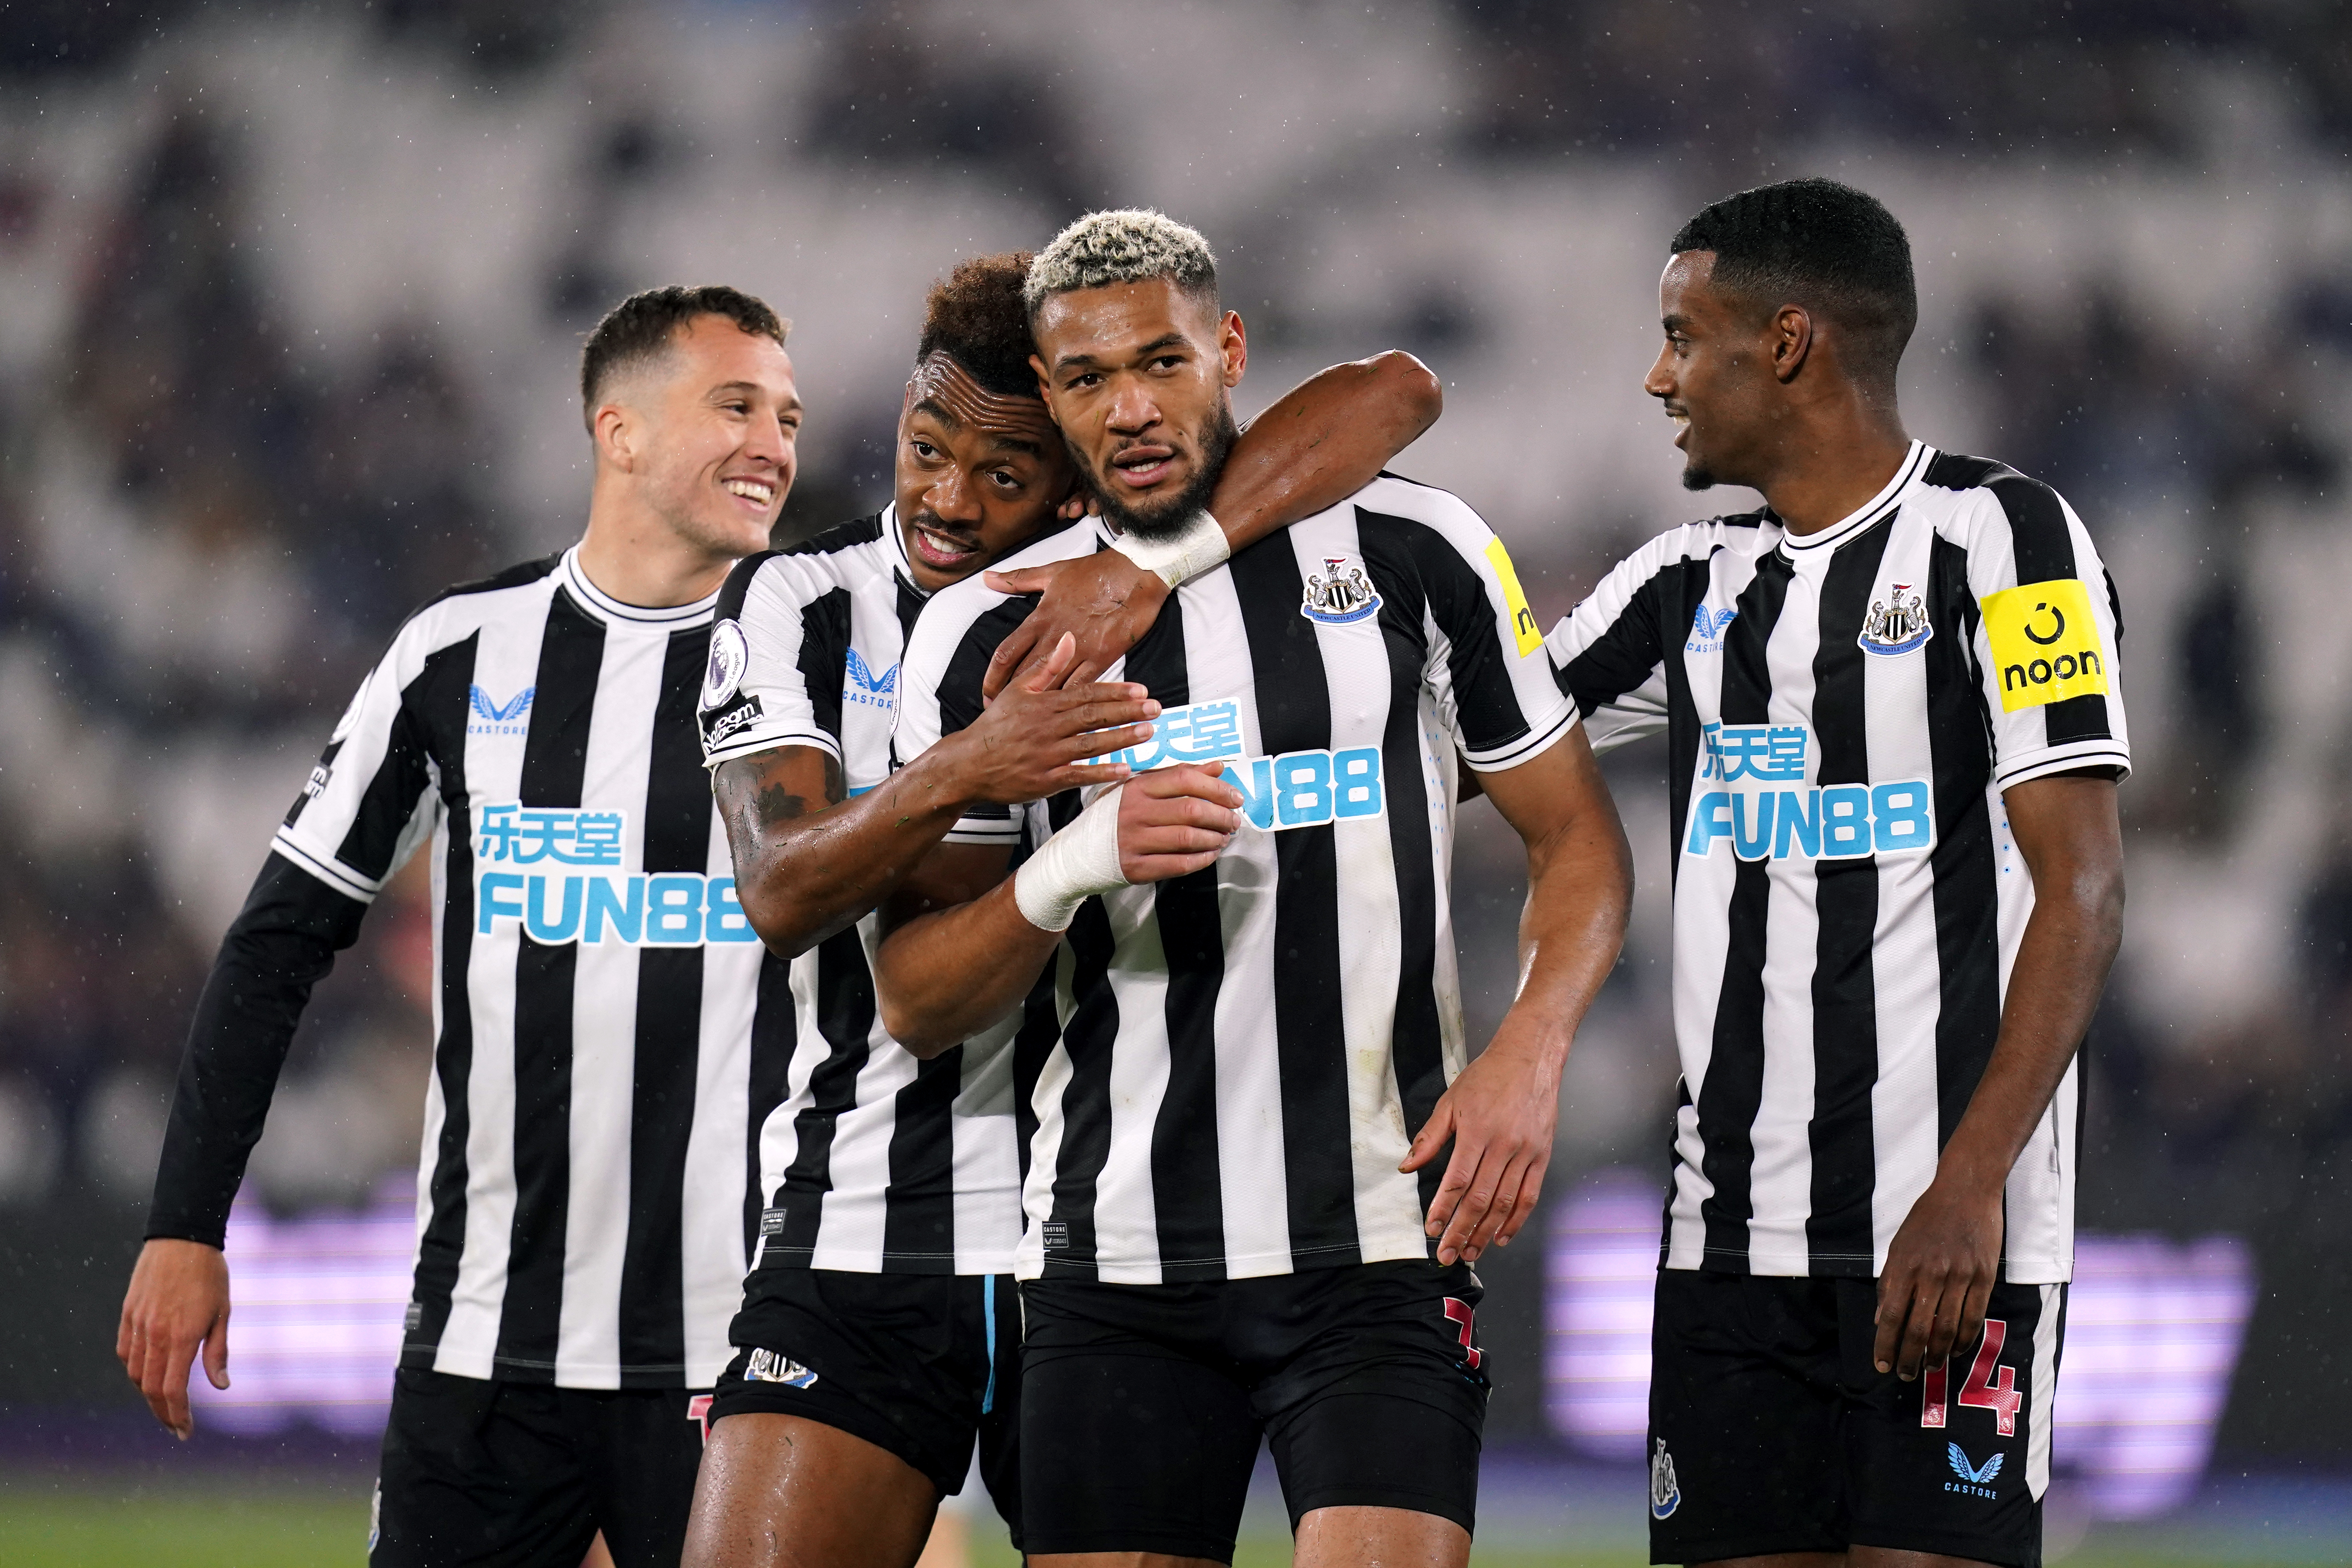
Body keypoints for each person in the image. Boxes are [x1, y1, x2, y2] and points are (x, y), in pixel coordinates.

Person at [873, 210, 1635, 1568]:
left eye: (1162, 362)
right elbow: (920, 999)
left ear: (1230, 351)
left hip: (1382, 1243)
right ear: (1048, 397)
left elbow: (1576, 837)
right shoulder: (985, 632)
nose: (1133, 407)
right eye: (1090, 379)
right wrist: (1071, 864)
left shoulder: (1417, 549)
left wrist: (1529, 1050)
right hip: (1114, 1264)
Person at [680, 250, 1442, 1568]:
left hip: (1098, 1244)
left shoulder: (1132, 597)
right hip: (870, 1216)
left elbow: (1394, 393)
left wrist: (1156, 563)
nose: (946, 499)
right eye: (926, 448)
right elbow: (780, 886)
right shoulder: (802, 602)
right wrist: (971, 766)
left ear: (1076, 480)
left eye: (1003, 475)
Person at [119, 286, 808, 1568]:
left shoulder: (829, 657)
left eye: (787, 413)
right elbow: (278, 940)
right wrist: (185, 1218)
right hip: (486, 1354)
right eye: (736, 405)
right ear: (621, 430)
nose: (774, 440)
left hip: (746, 1345)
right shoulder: (459, 654)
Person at [1545, 178, 2129, 1568]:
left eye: (1684, 337)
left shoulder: (2007, 542)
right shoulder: (1688, 585)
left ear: (1789, 341)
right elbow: (1460, 740)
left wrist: (1969, 1184)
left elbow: (2085, 886)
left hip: (1951, 1245)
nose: (1658, 376)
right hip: (1729, 1253)